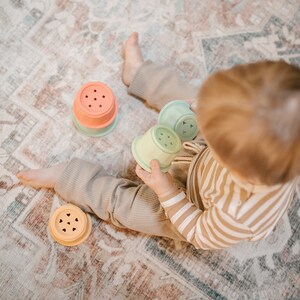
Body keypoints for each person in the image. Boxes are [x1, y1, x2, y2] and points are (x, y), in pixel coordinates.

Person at [17, 32, 300, 250]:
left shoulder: (238, 216)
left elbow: (199, 233)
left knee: (130, 207)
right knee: (185, 100)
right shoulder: (279, 136)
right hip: (215, 160)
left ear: (236, 165)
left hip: (192, 203)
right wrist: (208, 106)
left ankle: (68, 178)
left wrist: (167, 191)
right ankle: (138, 74)